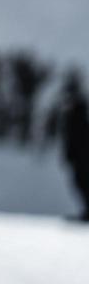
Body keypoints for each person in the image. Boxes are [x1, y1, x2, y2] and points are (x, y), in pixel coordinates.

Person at [58, 72, 89, 221]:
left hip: (82, 156)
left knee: (83, 182)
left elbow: (78, 136)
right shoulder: (71, 111)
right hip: (77, 156)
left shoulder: (79, 110)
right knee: (78, 182)